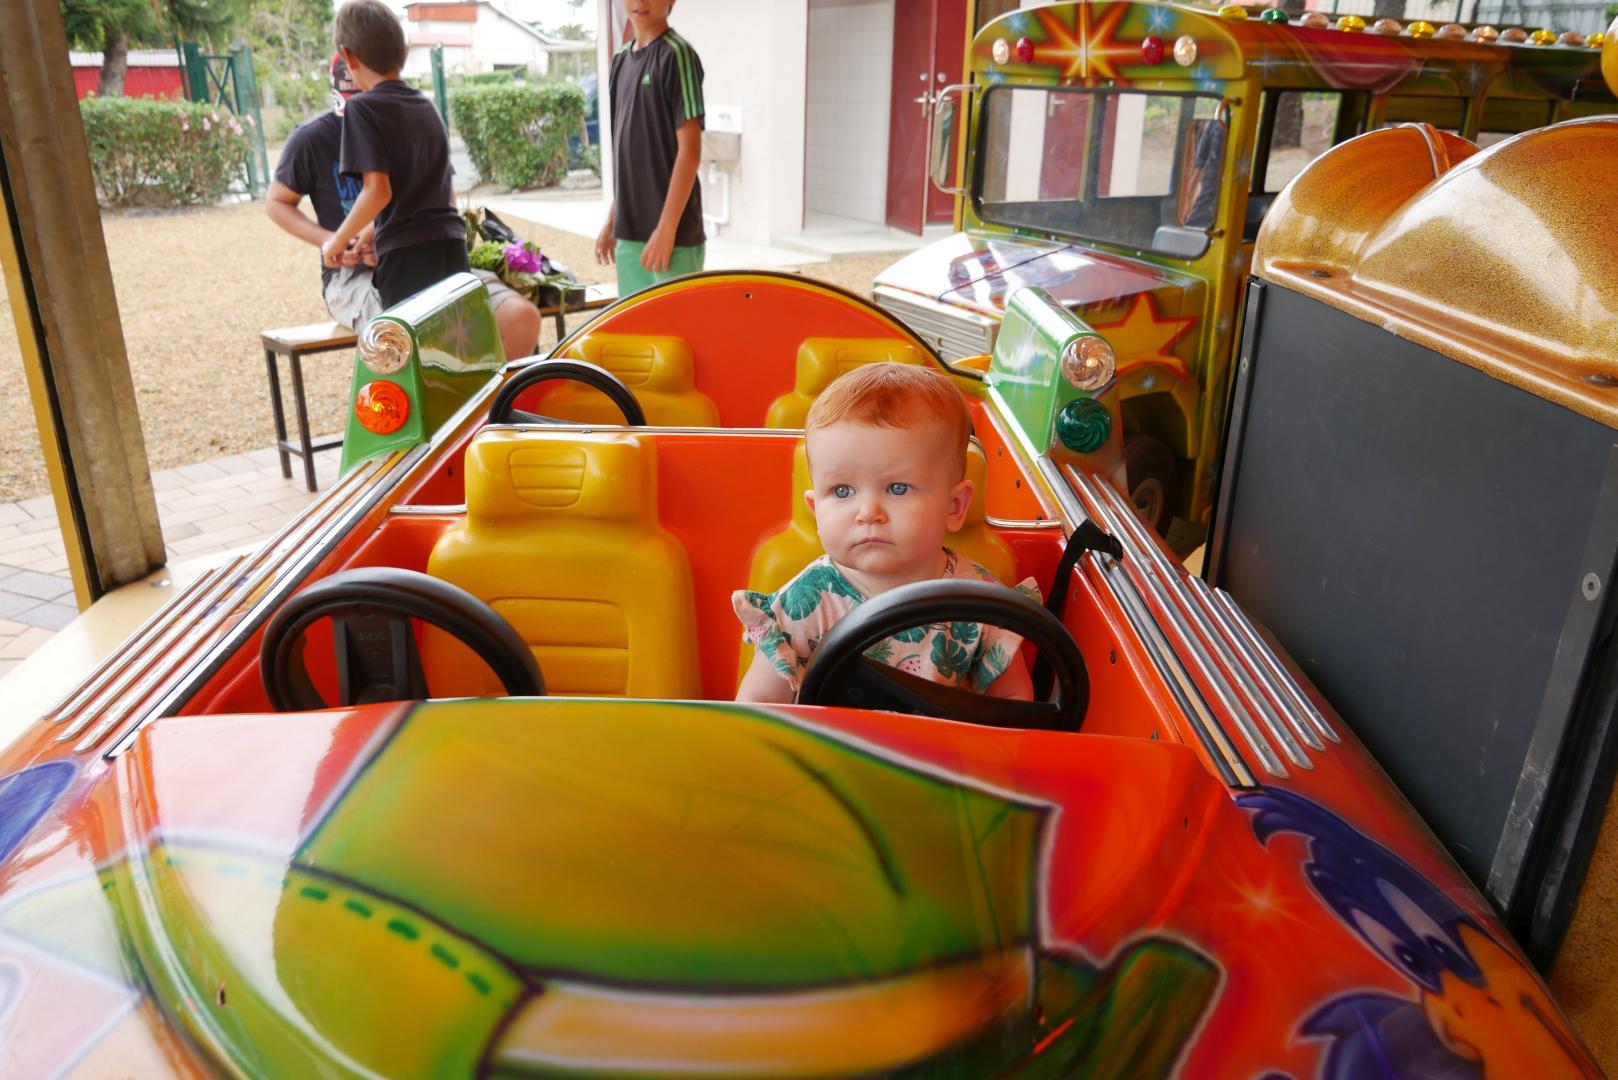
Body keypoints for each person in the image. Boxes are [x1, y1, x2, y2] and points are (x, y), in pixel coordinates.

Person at [733, 364, 1040, 704]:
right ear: (815, 509)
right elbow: (758, 708)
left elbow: (1014, 699)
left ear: (954, 506)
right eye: (842, 491)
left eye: (897, 488)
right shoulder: (803, 605)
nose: (868, 513)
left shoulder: (981, 602)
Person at [266, 55, 542, 360]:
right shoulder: (312, 138)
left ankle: (485, 392)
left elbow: (443, 199)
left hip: (422, 260)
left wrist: (381, 236)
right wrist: (332, 241)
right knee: (419, 334)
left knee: (520, 318)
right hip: (352, 277)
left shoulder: (410, 121)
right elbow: (276, 202)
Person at [324, 0, 468, 309]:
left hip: (407, 256)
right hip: (452, 244)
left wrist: (337, 241)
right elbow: (438, 192)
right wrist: (371, 230)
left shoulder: (362, 108)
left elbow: (378, 192)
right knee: (455, 337)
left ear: (348, 55)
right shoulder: (426, 106)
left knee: (409, 340)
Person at [594, 0, 705, 297]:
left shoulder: (677, 55)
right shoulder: (620, 60)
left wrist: (666, 230)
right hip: (629, 234)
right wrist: (612, 221)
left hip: (674, 238)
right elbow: (629, 155)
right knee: (636, 326)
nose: (640, 2)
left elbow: (690, 152)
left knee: (677, 325)